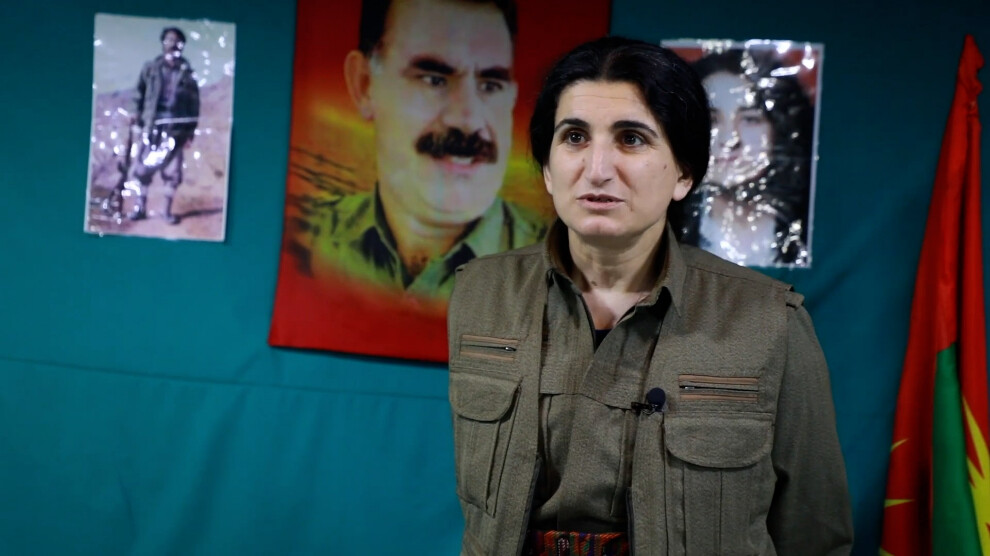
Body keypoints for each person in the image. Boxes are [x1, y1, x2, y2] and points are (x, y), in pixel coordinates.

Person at [448, 37, 852, 555]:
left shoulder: (770, 323)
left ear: (684, 172)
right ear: (548, 168)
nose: (597, 169)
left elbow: (815, 536)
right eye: (574, 137)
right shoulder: (479, 295)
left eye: (631, 139)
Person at [294, 0, 545, 300]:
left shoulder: (559, 272)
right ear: (364, 84)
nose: (468, 121)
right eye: (434, 80)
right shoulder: (304, 239)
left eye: (490, 85)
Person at [670, 48, 815, 267]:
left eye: (750, 119)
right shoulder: (665, 237)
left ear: (780, 130)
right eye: (712, 120)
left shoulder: (811, 234)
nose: (730, 139)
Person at [124, 26, 200, 224]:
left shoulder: (187, 73)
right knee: (142, 169)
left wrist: (190, 133)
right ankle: (140, 208)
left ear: (182, 45)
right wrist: (134, 112)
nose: (172, 43)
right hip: (151, 125)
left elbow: (194, 105)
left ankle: (166, 212)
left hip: (175, 129)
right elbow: (138, 92)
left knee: (173, 172)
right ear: (163, 43)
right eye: (168, 39)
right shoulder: (150, 68)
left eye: (176, 40)